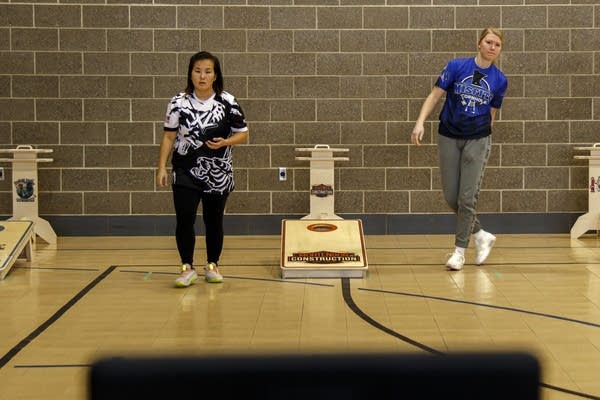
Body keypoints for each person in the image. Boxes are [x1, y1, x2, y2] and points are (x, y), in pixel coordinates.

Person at [410, 28, 507, 271]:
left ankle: (459, 251)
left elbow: (492, 113)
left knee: (466, 198)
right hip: (448, 136)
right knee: (451, 197)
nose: (492, 47)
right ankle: (481, 234)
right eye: (489, 42)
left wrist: (483, 139)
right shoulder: (456, 67)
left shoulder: (499, 80)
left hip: (477, 139)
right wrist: (420, 122)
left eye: (497, 44)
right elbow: (434, 96)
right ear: (479, 43)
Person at [157, 51, 249, 287]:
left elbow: (244, 134)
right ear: (190, 73)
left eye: (207, 71)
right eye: (197, 71)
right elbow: (169, 137)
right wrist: (161, 167)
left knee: (213, 220)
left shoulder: (227, 101)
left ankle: (212, 265)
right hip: (185, 171)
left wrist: (226, 142)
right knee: (184, 219)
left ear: (215, 75)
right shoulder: (178, 101)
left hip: (218, 173)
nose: (202, 76)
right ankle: (186, 267)